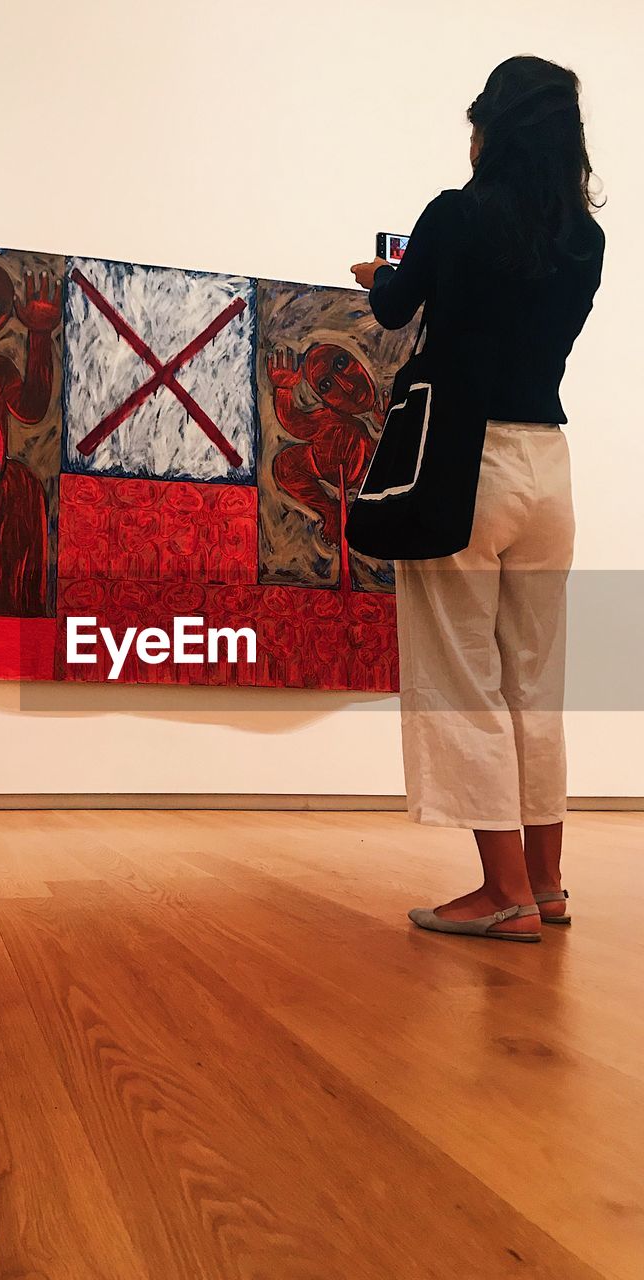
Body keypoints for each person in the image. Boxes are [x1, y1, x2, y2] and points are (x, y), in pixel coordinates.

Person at [349, 55, 605, 942]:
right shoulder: (586, 241)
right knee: (536, 681)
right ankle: (548, 884)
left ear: (490, 130)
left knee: (461, 677)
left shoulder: (455, 215)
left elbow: (393, 310)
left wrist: (377, 278)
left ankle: (501, 895)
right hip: (548, 468)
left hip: (464, 461)